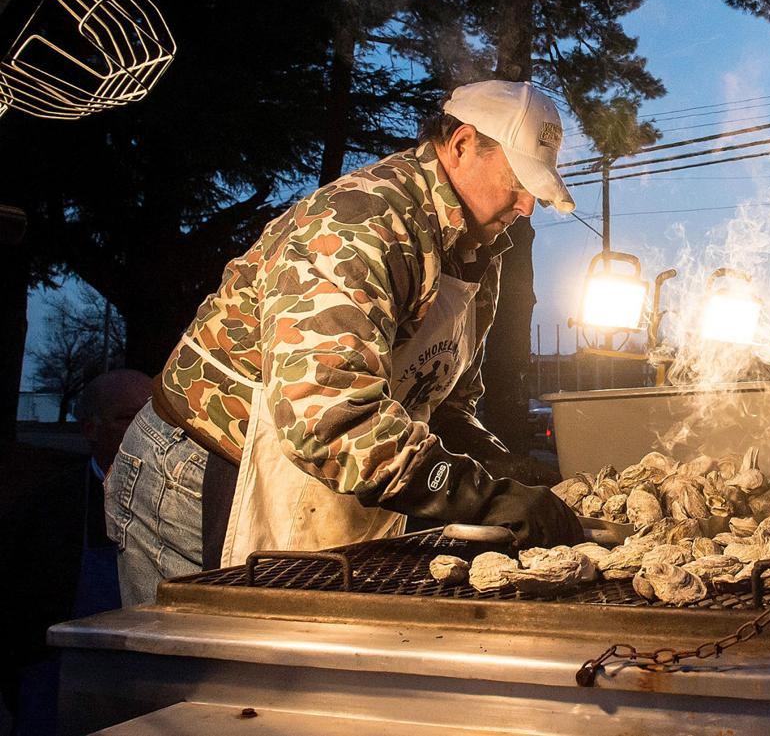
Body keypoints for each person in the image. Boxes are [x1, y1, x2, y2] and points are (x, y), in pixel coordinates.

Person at [106, 80, 584, 606]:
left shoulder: (477, 255)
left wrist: (493, 461)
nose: (527, 205)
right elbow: (328, 420)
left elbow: (438, 400)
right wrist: (482, 497)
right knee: (204, 651)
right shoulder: (360, 225)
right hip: (206, 470)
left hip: (323, 480)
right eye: (517, 181)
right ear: (462, 144)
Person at [74, 369, 152, 615]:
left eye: (154, 416)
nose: (150, 430)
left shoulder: (188, 498)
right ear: (91, 429)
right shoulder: (49, 508)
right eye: (128, 418)